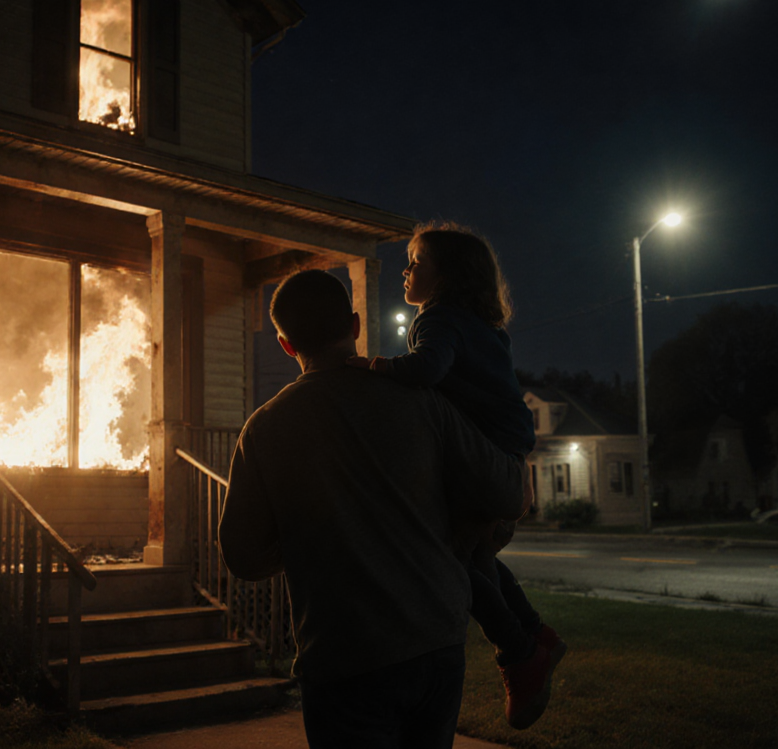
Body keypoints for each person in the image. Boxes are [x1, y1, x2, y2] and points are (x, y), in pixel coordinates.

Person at [218, 269, 525, 749]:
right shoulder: (423, 402)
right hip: (436, 639)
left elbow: (243, 556)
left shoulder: (265, 428)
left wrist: (309, 534)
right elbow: (509, 494)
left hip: (344, 657)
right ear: (356, 324)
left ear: (285, 344)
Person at [348, 222, 566, 730]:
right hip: (506, 453)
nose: (405, 271)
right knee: (475, 554)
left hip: (486, 458)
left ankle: (519, 652)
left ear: (446, 275)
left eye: (417, 262)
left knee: (448, 558)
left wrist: (374, 368)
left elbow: (425, 371)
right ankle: (535, 635)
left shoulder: (439, 317)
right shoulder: (485, 327)